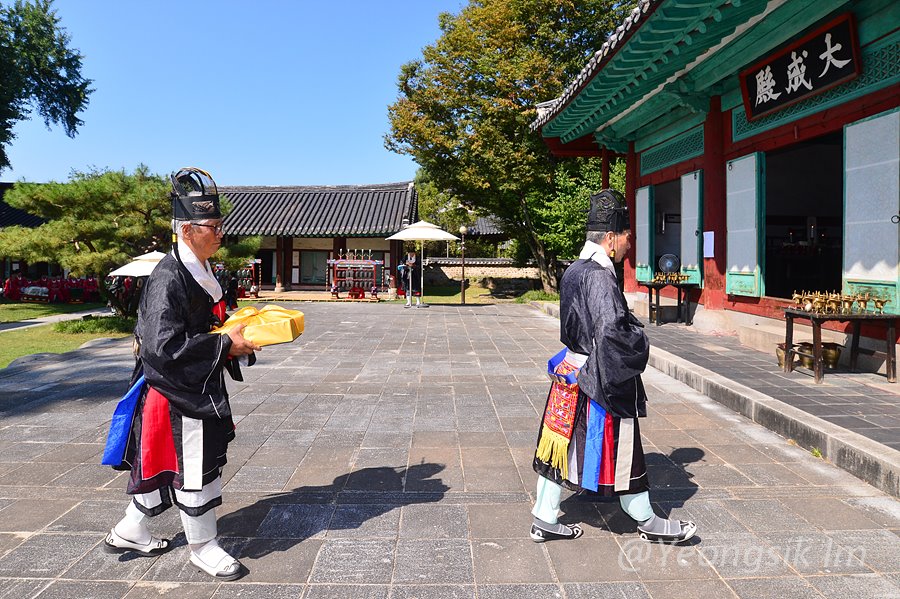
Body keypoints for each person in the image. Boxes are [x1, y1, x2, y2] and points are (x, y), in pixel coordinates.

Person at [102, 167, 261, 581]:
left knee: (162, 465)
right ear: (188, 230)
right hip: (176, 393)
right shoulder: (170, 277)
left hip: (190, 385)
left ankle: (130, 530)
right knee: (193, 467)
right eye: (214, 226)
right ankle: (203, 547)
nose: (220, 233)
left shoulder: (198, 270)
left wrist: (231, 335)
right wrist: (227, 345)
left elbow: (201, 328)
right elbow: (164, 346)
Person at [530, 189, 697, 544]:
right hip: (597, 376)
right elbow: (611, 333)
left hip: (571, 371)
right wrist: (638, 337)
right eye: (626, 238)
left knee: (560, 443)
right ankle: (647, 520)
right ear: (609, 239)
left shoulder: (574, 270)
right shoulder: (601, 276)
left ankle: (545, 516)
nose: (628, 245)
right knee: (624, 450)